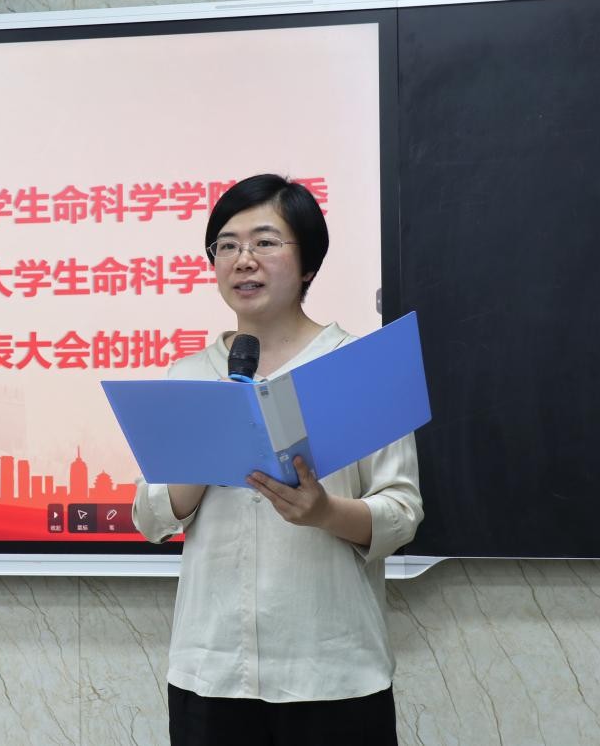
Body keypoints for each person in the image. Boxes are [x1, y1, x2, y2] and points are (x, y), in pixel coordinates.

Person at [131, 173, 423, 745]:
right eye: (227, 245)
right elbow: (150, 517)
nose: (244, 260)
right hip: (210, 670)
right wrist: (200, 461)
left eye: (265, 242)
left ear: (308, 263)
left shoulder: (361, 369)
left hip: (332, 671)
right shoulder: (189, 376)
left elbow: (402, 511)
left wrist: (324, 512)